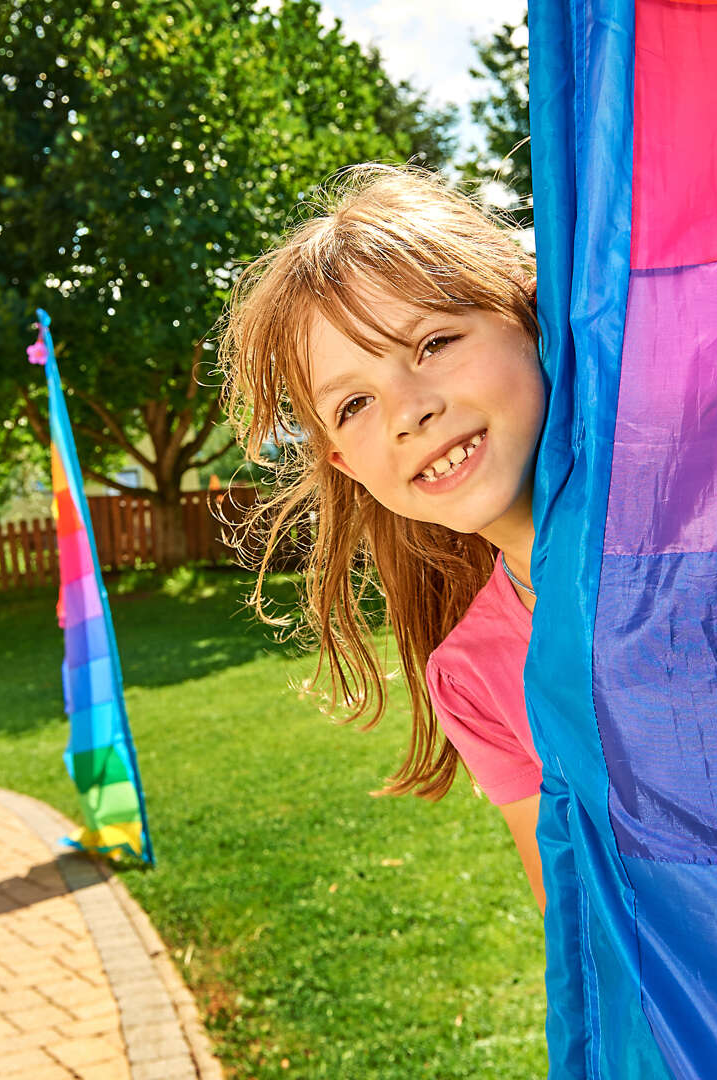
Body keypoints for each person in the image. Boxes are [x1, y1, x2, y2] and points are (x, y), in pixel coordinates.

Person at [219, 163, 549, 904]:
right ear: (345, 463)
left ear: (529, 315)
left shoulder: (702, 532)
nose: (408, 412)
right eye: (356, 403)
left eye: (433, 343)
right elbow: (572, 920)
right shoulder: (470, 679)